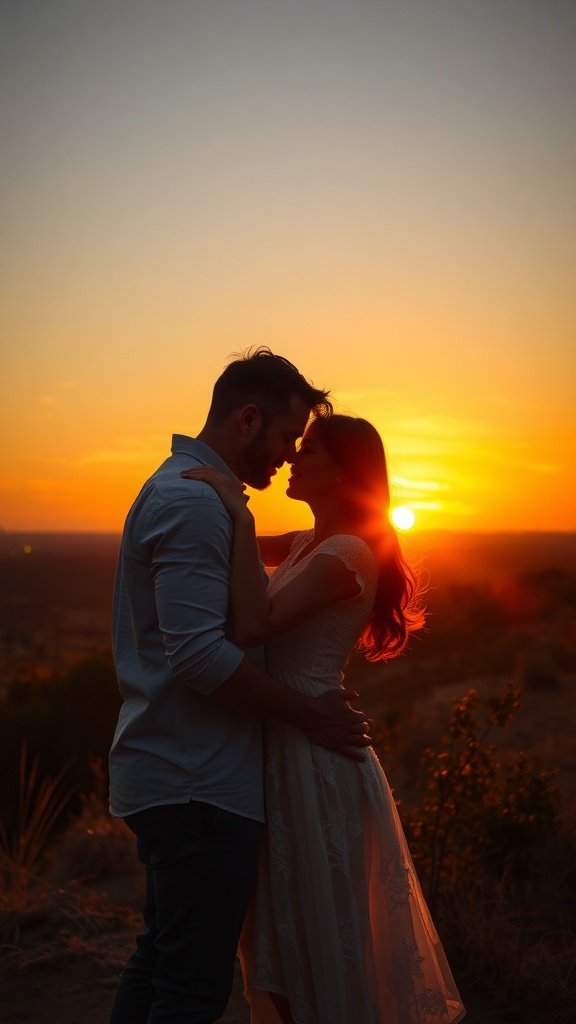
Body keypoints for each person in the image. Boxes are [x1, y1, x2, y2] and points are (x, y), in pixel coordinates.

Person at [108, 351, 371, 1024]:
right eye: (287, 437)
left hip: (189, 773)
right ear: (248, 419)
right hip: (198, 781)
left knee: (163, 963)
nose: (289, 455)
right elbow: (200, 657)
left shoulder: (194, 495)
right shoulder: (197, 503)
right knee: (190, 989)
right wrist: (308, 713)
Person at [182, 414, 466, 1024]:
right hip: (284, 739)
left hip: (315, 756)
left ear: (342, 474)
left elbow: (255, 624)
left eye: (307, 450)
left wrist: (240, 513)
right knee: (279, 931)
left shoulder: (347, 555)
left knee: (317, 932)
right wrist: (212, 503)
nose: (292, 458)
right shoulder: (308, 543)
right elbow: (224, 547)